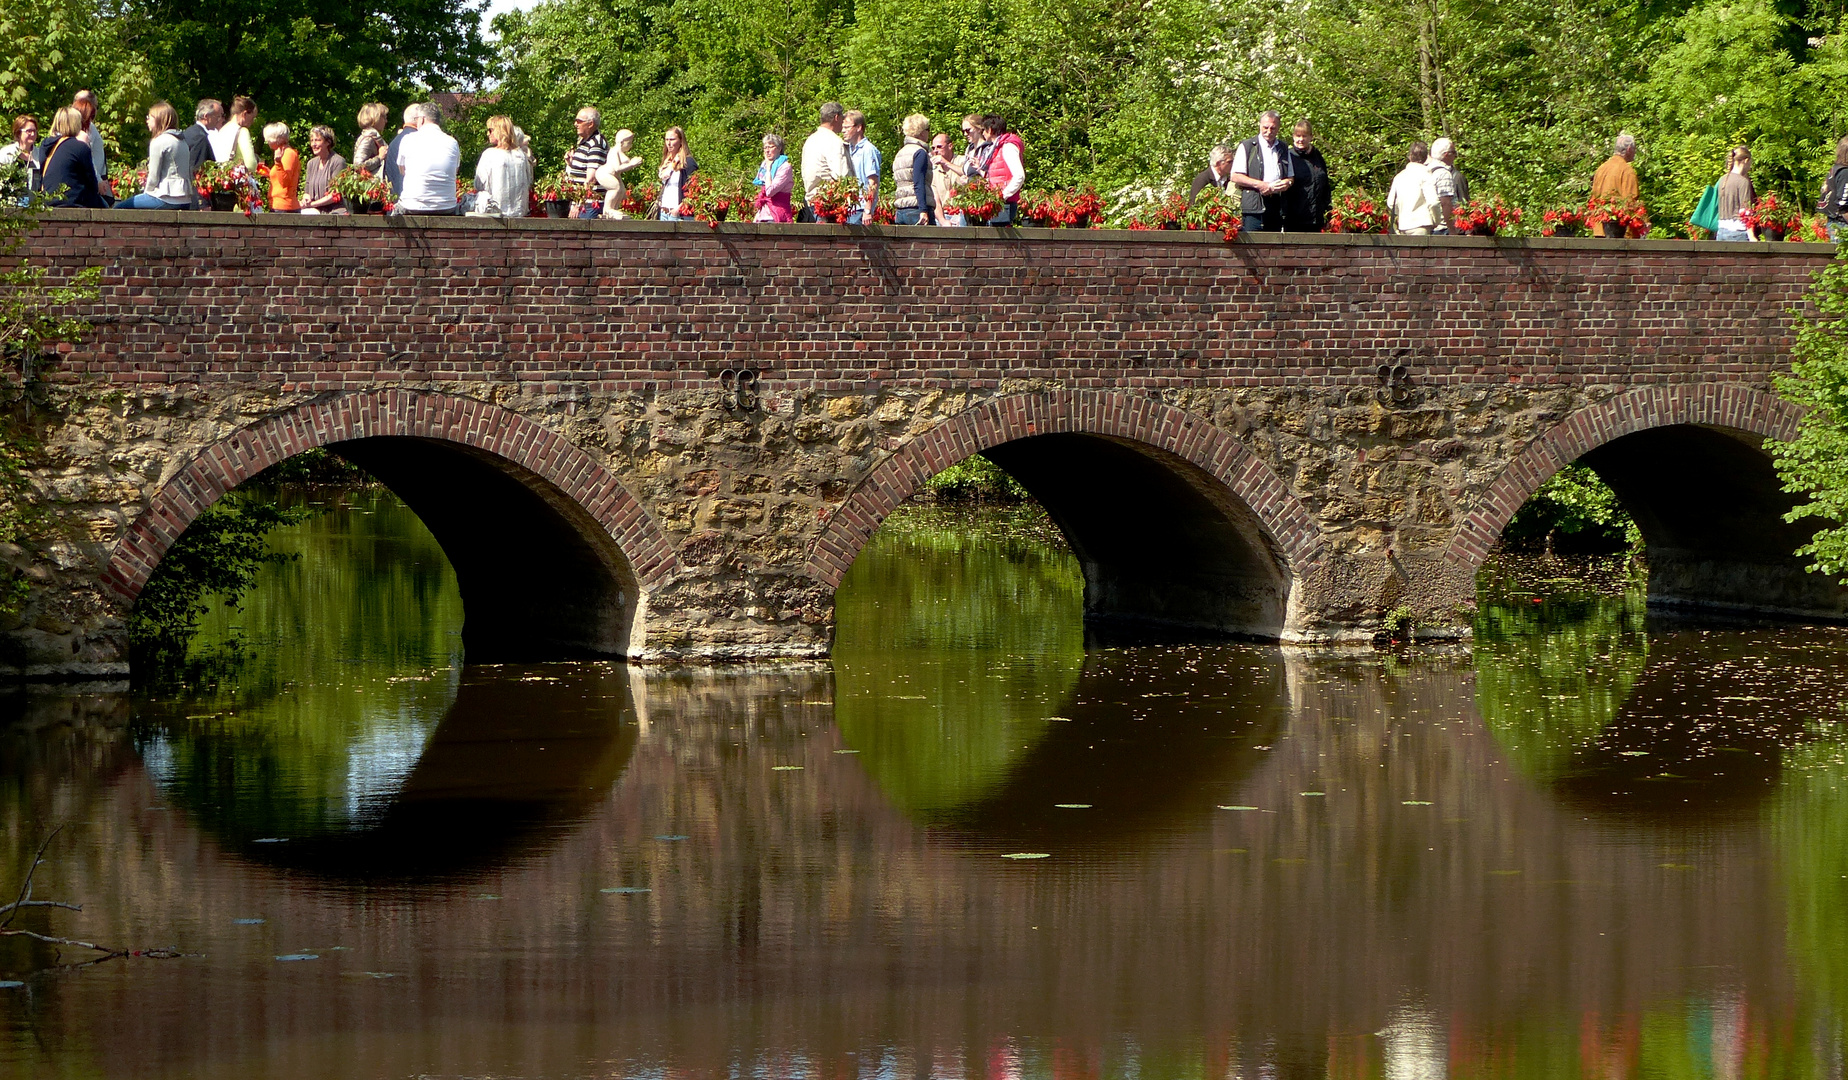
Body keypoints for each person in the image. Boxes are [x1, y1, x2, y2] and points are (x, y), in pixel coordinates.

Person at [115, 101, 193, 210]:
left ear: (159, 119)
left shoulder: (159, 141)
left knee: (119, 209)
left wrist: (146, 193)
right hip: (185, 199)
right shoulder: (182, 141)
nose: (147, 120)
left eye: (149, 117)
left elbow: (153, 177)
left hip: (166, 198)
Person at [392, 102, 462, 215]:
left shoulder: (408, 139)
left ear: (422, 119)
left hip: (412, 205)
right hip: (446, 206)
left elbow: (402, 171)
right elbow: (454, 172)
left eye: (417, 118)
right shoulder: (453, 142)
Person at [1230, 110, 1294, 232]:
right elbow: (1235, 176)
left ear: (1278, 128)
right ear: (1259, 125)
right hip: (1253, 207)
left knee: (1272, 246)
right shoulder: (1247, 146)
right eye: (1265, 127)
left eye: (1273, 128)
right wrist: (1261, 185)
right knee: (1253, 246)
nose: (1269, 132)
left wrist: (1287, 183)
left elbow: (1290, 176)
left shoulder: (1283, 147)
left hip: (1276, 206)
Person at [38, 107, 106, 208]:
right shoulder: (79, 146)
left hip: (49, 201)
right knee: (106, 206)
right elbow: (91, 182)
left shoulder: (45, 145)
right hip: (73, 201)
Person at [471, 114, 532, 218]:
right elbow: (529, 182)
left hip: (494, 214)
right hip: (518, 214)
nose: (488, 134)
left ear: (499, 131)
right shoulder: (521, 155)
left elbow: (479, 184)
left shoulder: (489, 154)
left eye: (490, 130)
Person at [800, 102, 852, 220]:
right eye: (842, 119)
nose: (843, 123)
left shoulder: (810, 140)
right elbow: (841, 176)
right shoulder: (834, 141)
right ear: (836, 118)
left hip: (811, 203)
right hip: (828, 206)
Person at [1285, 120, 1331, 232]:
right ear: (1293, 136)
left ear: (1311, 137)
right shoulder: (1288, 156)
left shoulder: (1318, 156)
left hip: (1317, 218)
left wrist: (1328, 210)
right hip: (1294, 219)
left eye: (1304, 136)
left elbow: (1325, 185)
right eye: (1298, 136)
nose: (1301, 139)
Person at [891, 114, 935, 225]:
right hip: (916, 208)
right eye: (928, 129)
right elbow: (918, 182)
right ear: (921, 132)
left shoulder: (900, 153)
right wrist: (923, 210)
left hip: (901, 209)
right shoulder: (920, 152)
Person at [567, 106, 609, 218]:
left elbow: (591, 178)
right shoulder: (585, 142)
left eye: (579, 121)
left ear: (590, 124)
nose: (575, 124)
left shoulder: (596, 143)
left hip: (589, 204)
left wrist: (578, 204)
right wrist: (571, 163)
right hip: (583, 203)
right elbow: (584, 170)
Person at [982, 115, 1025, 225]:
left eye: (983, 130)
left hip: (1005, 204)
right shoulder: (997, 148)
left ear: (990, 130)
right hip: (999, 202)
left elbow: (1019, 176)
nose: (982, 133)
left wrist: (1002, 196)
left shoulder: (1008, 147)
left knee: (997, 240)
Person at [1386, 141, 1436, 234]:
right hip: (1422, 225)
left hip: (1403, 226)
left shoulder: (1399, 176)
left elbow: (1391, 203)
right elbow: (1433, 202)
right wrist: (1436, 221)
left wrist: (1401, 214)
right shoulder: (1426, 175)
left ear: (1409, 156)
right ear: (1426, 158)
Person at [843, 109, 881, 224]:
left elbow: (873, 182)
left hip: (861, 209)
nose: (843, 131)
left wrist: (868, 210)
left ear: (859, 128)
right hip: (850, 208)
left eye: (847, 127)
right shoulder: (848, 149)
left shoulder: (868, 150)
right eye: (843, 128)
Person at [300, 125, 348, 214]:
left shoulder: (338, 162)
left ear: (328, 142)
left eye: (317, 140)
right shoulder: (311, 163)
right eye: (312, 140)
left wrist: (312, 204)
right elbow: (307, 191)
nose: (313, 144)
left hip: (334, 212)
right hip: (315, 211)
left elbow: (335, 194)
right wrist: (305, 200)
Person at [595, 129, 642, 218]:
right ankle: (608, 209)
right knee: (615, 187)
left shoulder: (619, 152)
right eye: (629, 142)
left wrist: (622, 187)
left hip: (613, 175)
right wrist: (632, 164)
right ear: (621, 142)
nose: (631, 145)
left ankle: (614, 209)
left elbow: (617, 174)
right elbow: (617, 169)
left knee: (620, 189)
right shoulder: (614, 151)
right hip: (604, 173)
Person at [1426, 137, 1467, 233]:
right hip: (1444, 229)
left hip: (1432, 227)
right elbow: (1446, 203)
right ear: (1446, 155)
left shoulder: (1426, 171)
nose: (1455, 156)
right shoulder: (1443, 173)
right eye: (1453, 153)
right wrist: (1452, 229)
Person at [1715, 146, 1755, 242]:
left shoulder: (1722, 180)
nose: (1750, 167)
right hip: (1738, 233)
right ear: (1746, 160)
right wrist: (1752, 236)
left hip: (1721, 232)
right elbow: (1745, 211)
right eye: (1750, 163)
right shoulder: (1743, 182)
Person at [656, 126, 696, 220]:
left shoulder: (688, 163)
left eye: (672, 139)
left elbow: (692, 192)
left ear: (681, 141)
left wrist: (678, 209)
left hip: (678, 214)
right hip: (663, 212)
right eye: (666, 140)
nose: (669, 143)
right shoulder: (667, 163)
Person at [753, 133, 794, 223]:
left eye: (771, 147)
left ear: (779, 149)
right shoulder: (764, 165)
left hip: (777, 215)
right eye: (765, 148)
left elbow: (770, 192)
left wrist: (768, 170)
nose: (767, 151)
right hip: (763, 215)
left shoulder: (785, 167)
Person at [1591, 133, 1640, 205]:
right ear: (1629, 149)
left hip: (1598, 214)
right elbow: (1630, 202)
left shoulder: (1601, 168)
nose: (1635, 153)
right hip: (1617, 214)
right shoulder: (1627, 171)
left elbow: (1593, 199)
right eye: (1634, 149)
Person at [0, 116, 42, 198]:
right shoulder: (6, 153)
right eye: (29, 131)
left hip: (34, 205)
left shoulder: (40, 154)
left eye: (34, 131)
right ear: (18, 133)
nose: (33, 134)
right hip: (11, 204)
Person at [929, 131, 965, 226]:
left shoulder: (962, 161)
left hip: (962, 213)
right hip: (943, 215)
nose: (936, 150)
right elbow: (935, 200)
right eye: (933, 148)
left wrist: (946, 163)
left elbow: (968, 175)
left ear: (950, 146)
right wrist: (943, 221)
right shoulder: (933, 170)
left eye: (939, 147)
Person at [263, 123, 300, 212]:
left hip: (284, 207)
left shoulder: (288, 154)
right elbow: (281, 177)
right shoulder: (282, 154)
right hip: (278, 205)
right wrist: (268, 173)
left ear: (278, 139)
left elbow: (285, 181)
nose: (267, 141)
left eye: (269, 138)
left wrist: (278, 162)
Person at [71, 91, 105, 184]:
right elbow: (88, 157)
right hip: (89, 180)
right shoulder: (84, 130)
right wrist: (98, 181)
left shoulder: (89, 127)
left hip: (94, 177)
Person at [1821, 136, 1848, 242]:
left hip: (1835, 221)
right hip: (1842, 225)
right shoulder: (1845, 173)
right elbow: (1843, 204)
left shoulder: (1835, 170)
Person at [352, 103, 390, 177]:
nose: (386, 121)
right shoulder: (368, 138)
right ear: (375, 118)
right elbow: (358, 166)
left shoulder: (373, 136)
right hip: (369, 186)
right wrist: (379, 158)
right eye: (384, 117)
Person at [221, 96, 259, 170]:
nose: (253, 121)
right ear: (244, 114)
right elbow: (251, 164)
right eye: (253, 117)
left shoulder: (222, 130)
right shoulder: (242, 131)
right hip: (236, 178)